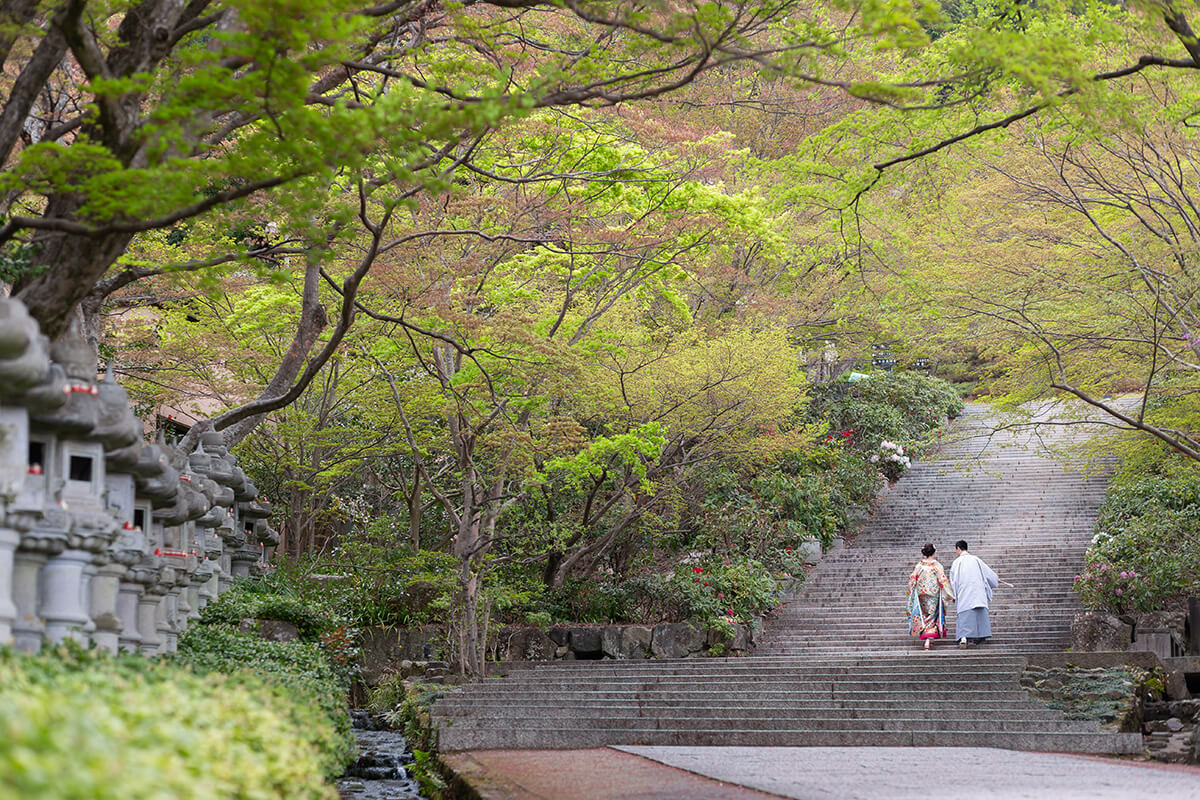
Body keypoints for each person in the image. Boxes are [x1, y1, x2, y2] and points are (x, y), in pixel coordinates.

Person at [949, 539, 999, 647]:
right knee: (978, 611)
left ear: (958, 548)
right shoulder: (976, 559)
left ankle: (964, 636)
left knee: (965, 612)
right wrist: (995, 579)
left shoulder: (957, 562)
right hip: (978, 591)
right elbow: (988, 573)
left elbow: (953, 580)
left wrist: (954, 594)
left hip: (964, 591)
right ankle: (981, 635)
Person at [906, 543, 955, 651]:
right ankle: (928, 640)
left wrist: (911, 591)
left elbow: (912, 578)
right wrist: (951, 595)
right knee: (932, 616)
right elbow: (943, 581)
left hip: (921, 593)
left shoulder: (920, 565)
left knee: (924, 615)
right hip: (933, 593)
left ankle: (927, 638)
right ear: (934, 552)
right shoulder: (936, 565)